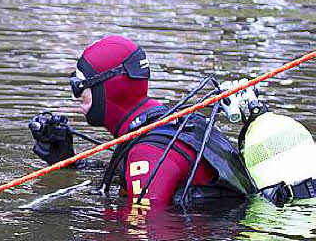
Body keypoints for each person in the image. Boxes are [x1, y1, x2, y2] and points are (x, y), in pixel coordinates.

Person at [28, 35, 252, 207]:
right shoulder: (167, 122)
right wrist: (70, 163)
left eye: (79, 86)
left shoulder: (147, 152)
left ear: (107, 88)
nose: (77, 96)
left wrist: (65, 217)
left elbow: (142, 237)